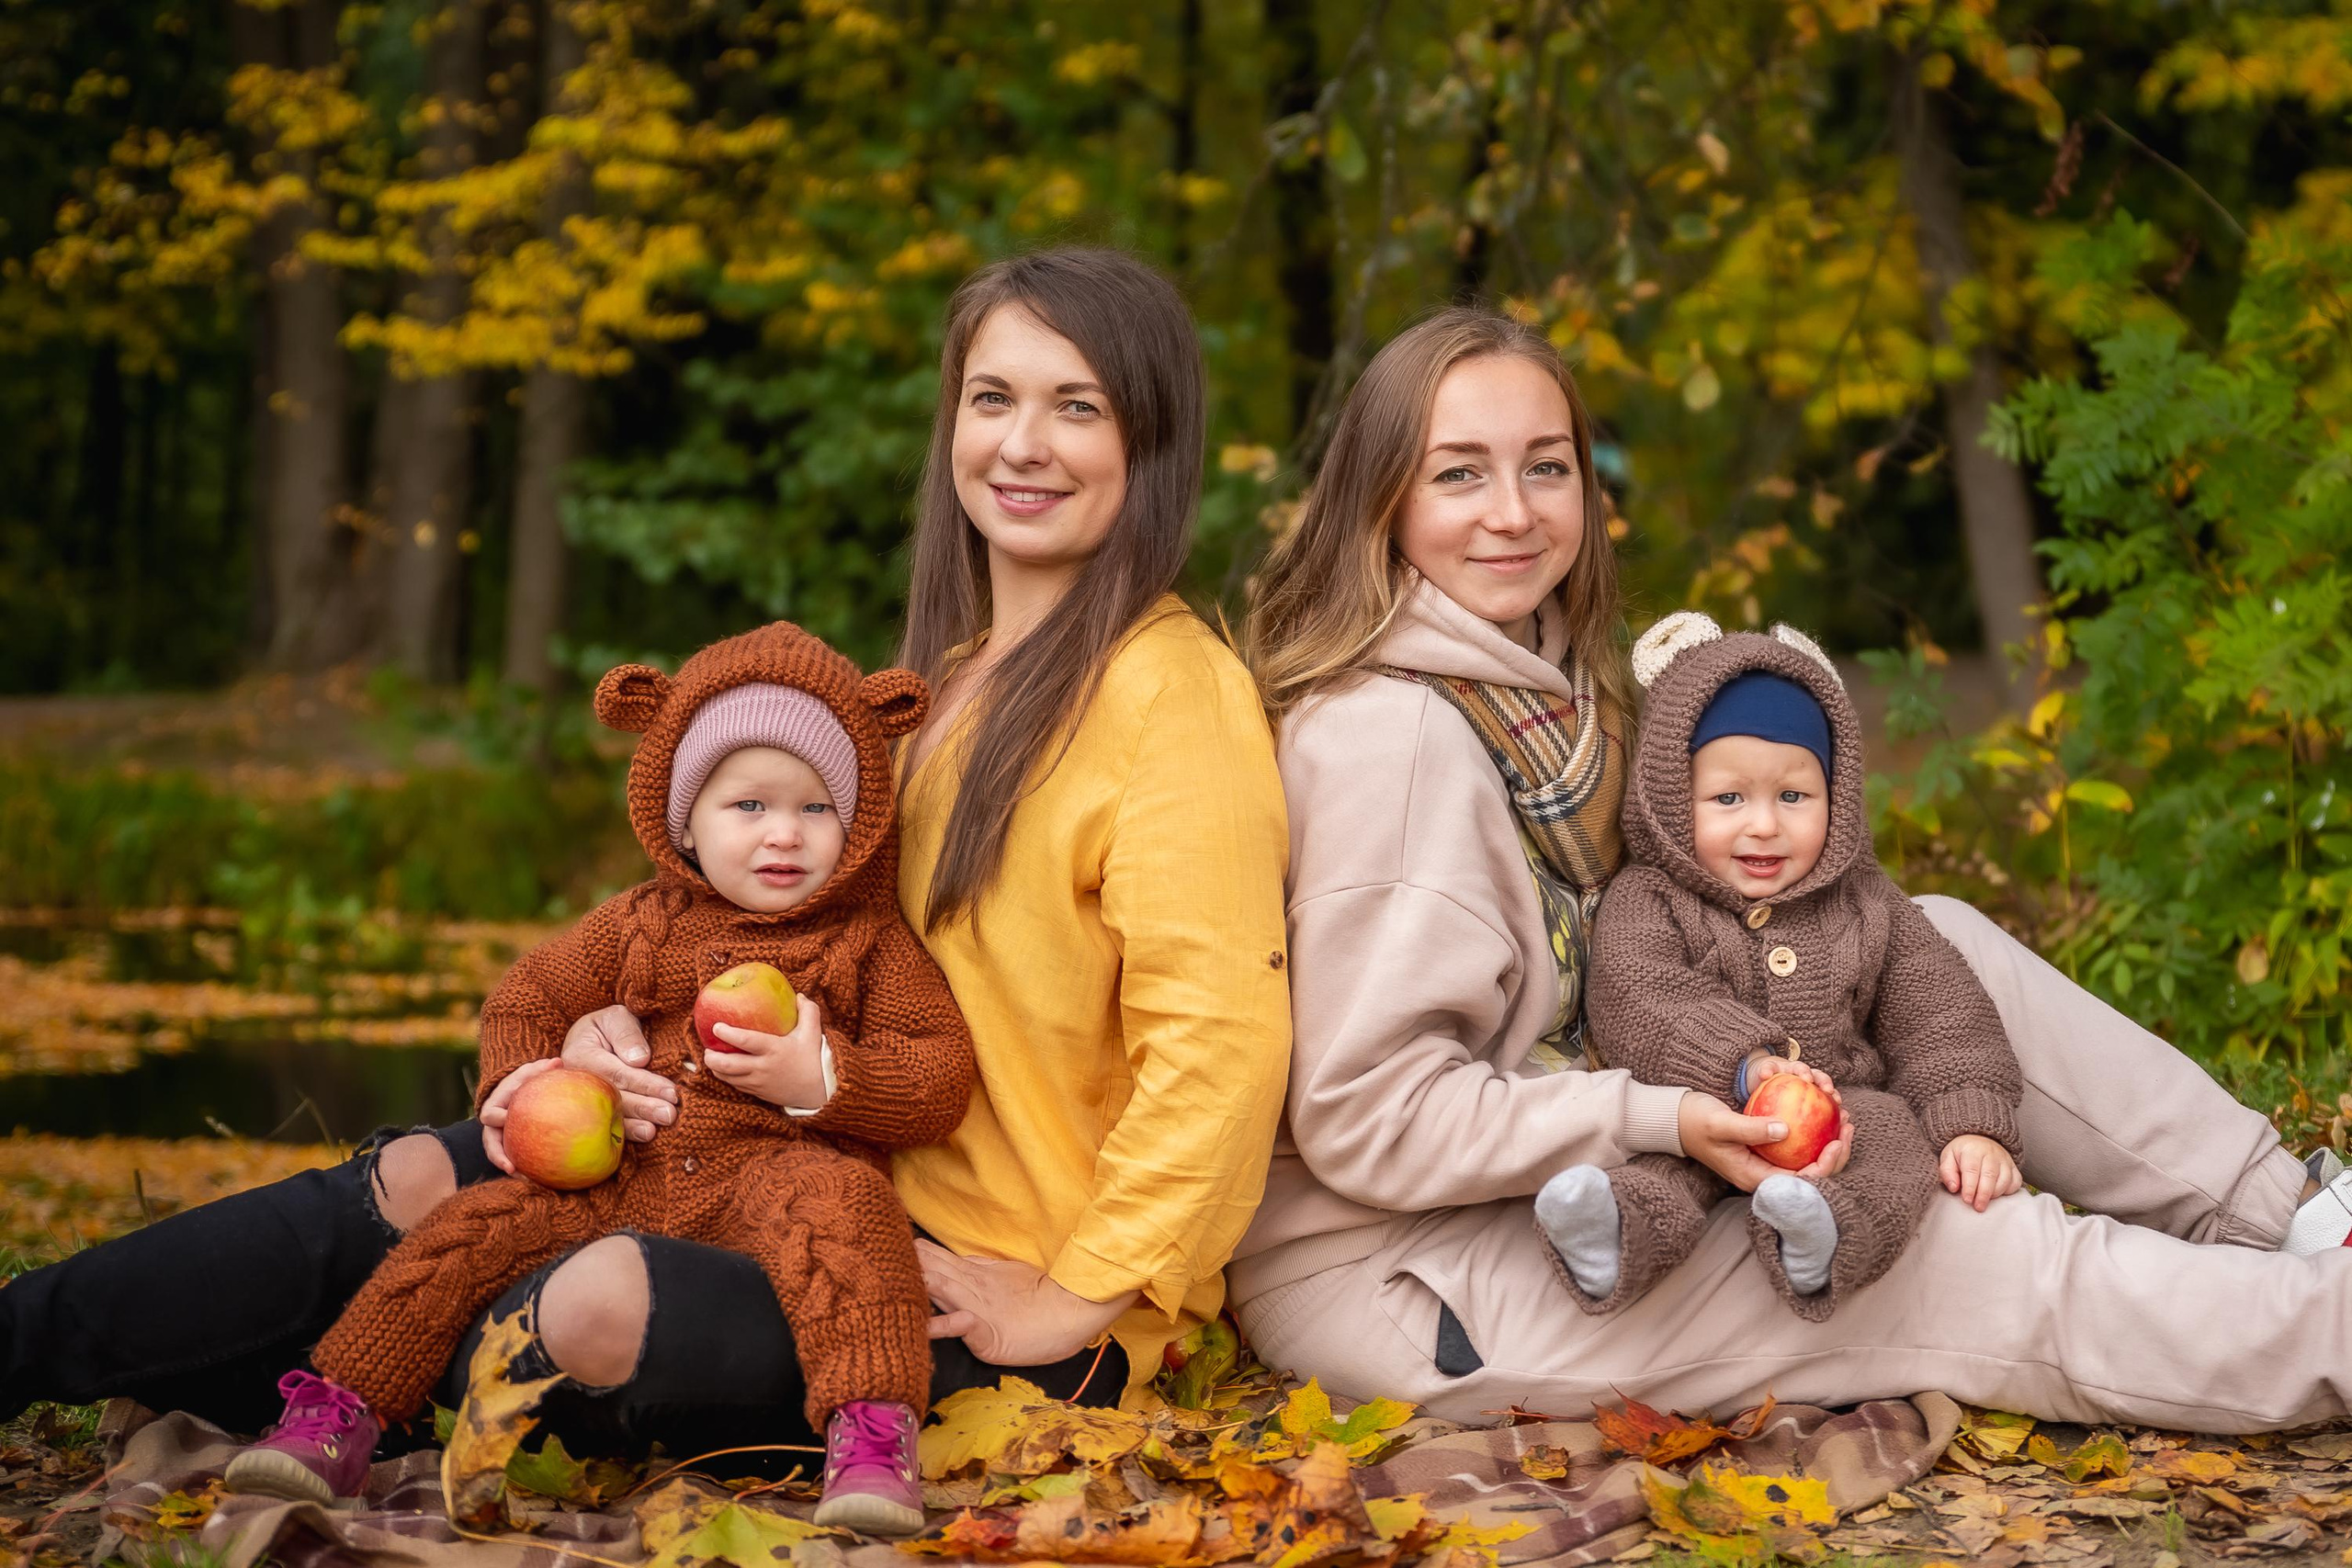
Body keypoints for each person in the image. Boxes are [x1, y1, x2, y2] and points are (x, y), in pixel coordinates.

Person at [0, 249, 1290, 1461]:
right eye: (993, 396)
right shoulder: (947, 688)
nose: (1023, 441)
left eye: (1079, 406)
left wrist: (1077, 1297)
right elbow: (789, 936)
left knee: (595, 1300)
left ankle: (310, 1380)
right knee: (418, 1175)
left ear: (1152, 438)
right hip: (778, 1163)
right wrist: (618, 1018)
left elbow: (1221, 1046)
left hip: (991, 1287)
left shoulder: (1174, 696)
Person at [1234, 303, 2352, 1432]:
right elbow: (1368, 1115)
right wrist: (1665, 1118)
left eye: (1547, 467)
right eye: (1459, 475)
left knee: (1927, 941)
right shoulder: (1395, 738)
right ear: (1380, 500)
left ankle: (2300, 1213)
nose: (1514, 513)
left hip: (1576, 1150)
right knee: (1952, 1249)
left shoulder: (1556, 696)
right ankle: (2329, 1335)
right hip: (1413, 1268)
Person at [221, 622, 969, 1536]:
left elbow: (937, 1075)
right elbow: (522, 999)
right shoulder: (637, 924)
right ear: (683, 820)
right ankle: (339, 1414)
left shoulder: (869, 945)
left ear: (858, 826)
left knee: (849, 1212)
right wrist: (524, 1081)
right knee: (466, 1230)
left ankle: (870, 1433)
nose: (784, 834)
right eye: (748, 807)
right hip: (618, 1171)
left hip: (774, 1174)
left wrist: (820, 1074)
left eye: (817, 809)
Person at [1536, 614, 2022, 1323]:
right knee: (1655, 1167)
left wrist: (1969, 1122)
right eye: (1729, 798)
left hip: (1843, 1119)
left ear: (1838, 798)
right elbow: (1640, 995)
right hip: (1695, 1112)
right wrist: (1745, 1066)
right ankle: (1610, 1231)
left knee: (1893, 1151)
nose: (1764, 824)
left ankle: (1820, 1234)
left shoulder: (1866, 902)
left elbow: (1942, 1013)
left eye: (1793, 797)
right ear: (1675, 801)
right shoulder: (1649, 898)